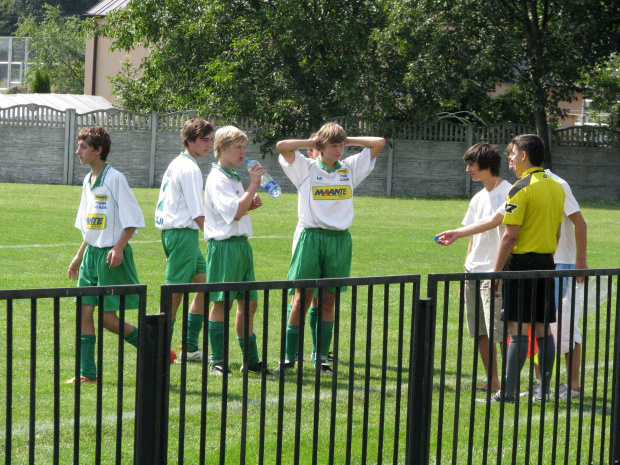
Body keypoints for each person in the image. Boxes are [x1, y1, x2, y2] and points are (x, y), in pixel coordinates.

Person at [275, 122, 385, 374]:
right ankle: (289, 357)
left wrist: (347, 139)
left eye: (341, 145)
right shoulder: (306, 168)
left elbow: (379, 142)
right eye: (333, 146)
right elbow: (282, 146)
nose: (339, 150)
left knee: (328, 300)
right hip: (311, 239)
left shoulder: (350, 168)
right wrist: (313, 143)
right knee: (301, 298)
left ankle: (321, 356)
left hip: (339, 240)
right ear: (321, 147)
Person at [66, 126, 145, 384]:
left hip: (111, 257)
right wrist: (79, 256)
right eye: (79, 146)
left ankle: (152, 347)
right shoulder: (88, 181)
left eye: (83, 147)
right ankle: (87, 374)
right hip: (91, 256)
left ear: (98, 150)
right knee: (84, 313)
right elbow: (91, 226)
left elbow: (132, 220)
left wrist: (119, 246)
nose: (77, 151)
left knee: (108, 320)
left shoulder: (115, 179)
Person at [490, 134, 564, 403]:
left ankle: (508, 392)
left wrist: (497, 274)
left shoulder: (520, 188)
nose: (510, 159)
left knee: (517, 328)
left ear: (523, 155)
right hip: (547, 262)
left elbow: (510, 236)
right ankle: (544, 391)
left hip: (521, 264)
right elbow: (556, 232)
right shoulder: (556, 187)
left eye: (512, 154)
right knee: (544, 329)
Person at [435, 143, 512, 392]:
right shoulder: (478, 197)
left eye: (471, 165)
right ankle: (493, 381)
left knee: (500, 332)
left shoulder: (509, 192)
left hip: (494, 272)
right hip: (473, 272)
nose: (468, 169)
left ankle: (509, 384)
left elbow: (494, 223)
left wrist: (456, 232)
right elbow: (473, 238)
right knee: (480, 331)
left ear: (486, 165)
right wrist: (464, 272)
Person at [204, 126, 269, 375]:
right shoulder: (218, 178)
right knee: (222, 303)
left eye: (244, 147)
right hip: (224, 247)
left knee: (249, 304)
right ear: (221, 149)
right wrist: (253, 186)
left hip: (241, 246)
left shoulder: (231, 176)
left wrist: (248, 204)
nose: (243, 152)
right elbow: (233, 213)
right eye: (237, 147)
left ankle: (250, 360)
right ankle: (217, 361)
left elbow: (237, 211)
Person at [155, 118, 213, 362]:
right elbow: (197, 211)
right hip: (182, 235)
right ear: (190, 141)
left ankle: (189, 348)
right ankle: (158, 349)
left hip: (176, 234)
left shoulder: (179, 162)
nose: (208, 145)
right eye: (203, 140)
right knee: (174, 295)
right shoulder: (190, 168)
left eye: (211, 140)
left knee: (204, 284)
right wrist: (213, 236)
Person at [545, 169, 587, 399]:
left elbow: (580, 222)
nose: (509, 162)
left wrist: (580, 262)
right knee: (537, 326)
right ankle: (541, 384)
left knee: (566, 329)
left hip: (563, 265)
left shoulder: (559, 184)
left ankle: (572, 387)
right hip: (540, 262)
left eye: (512, 155)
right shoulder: (526, 184)